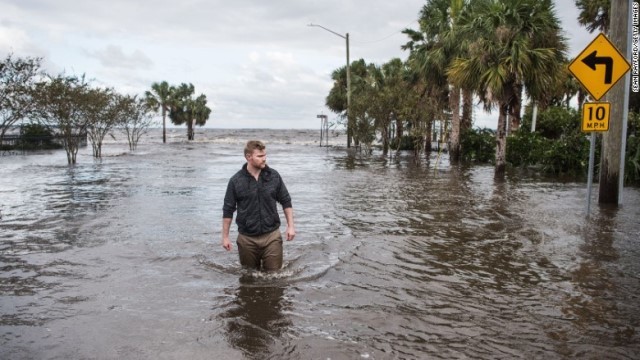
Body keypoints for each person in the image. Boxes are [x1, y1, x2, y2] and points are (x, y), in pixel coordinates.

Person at [221, 140, 295, 271]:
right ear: (248, 157)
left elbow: (286, 201)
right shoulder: (236, 181)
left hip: (272, 236)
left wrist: (291, 226)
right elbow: (228, 210)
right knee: (249, 276)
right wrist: (225, 237)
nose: (264, 159)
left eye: (265, 155)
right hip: (246, 239)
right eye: (260, 156)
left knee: (275, 277)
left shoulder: (273, 176)